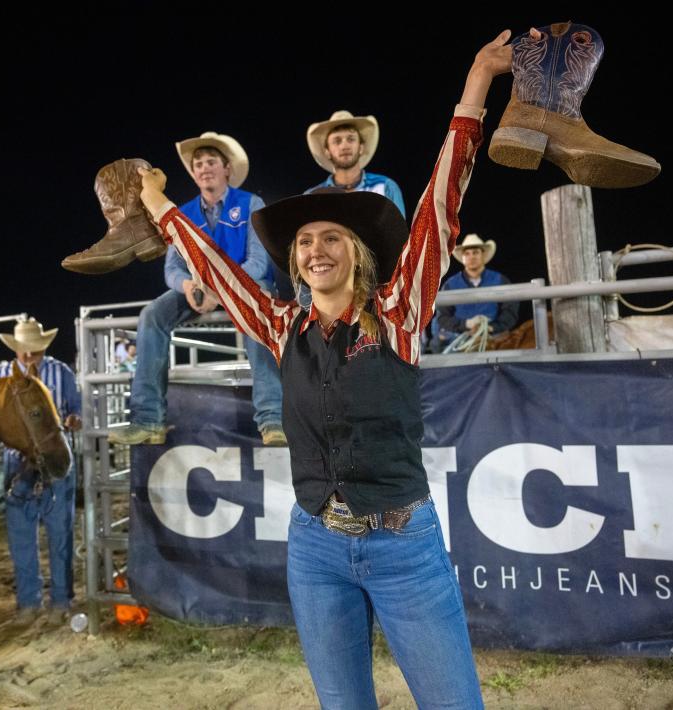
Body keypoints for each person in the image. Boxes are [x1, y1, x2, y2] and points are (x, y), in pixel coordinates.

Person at [130, 29, 518, 707]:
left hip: (404, 545)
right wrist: (162, 205)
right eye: (304, 242)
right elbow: (219, 272)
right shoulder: (282, 326)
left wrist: (479, 81)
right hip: (315, 549)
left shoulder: (398, 310)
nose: (314, 250)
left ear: (358, 250)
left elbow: (440, 203)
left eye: (330, 237)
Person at [109, 131, 285, 447]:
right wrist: (188, 284)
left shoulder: (250, 203)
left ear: (227, 169)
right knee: (152, 315)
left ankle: (272, 419)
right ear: (193, 173)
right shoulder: (185, 212)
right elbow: (172, 269)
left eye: (211, 162)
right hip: (202, 289)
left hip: (244, 287)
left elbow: (259, 262)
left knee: (260, 302)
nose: (204, 168)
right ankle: (147, 419)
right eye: (198, 164)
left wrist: (220, 288)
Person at [0, 318, 81, 622]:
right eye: (24, 351)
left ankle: (61, 600)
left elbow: (77, 409)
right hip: (18, 466)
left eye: (34, 350)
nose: (29, 356)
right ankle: (28, 602)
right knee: (20, 538)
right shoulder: (2, 375)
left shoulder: (62, 373)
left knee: (60, 535)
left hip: (55, 465)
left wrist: (74, 419)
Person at [304, 110, 406, 217]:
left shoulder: (386, 187)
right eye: (337, 141)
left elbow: (398, 232)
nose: (344, 146)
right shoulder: (312, 196)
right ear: (327, 152)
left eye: (351, 139)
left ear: (361, 147)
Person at [430, 233, 519, 352]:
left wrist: (491, 328)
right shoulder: (450, 284)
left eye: (476, 252)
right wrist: (466, 324)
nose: (471, 257)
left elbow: (510, 311)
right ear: (463, 258)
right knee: (439, 342)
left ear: (483, 255)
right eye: (467, 253)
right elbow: (443, 318)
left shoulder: (500, 280)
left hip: (492, 335)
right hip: (460, 336)